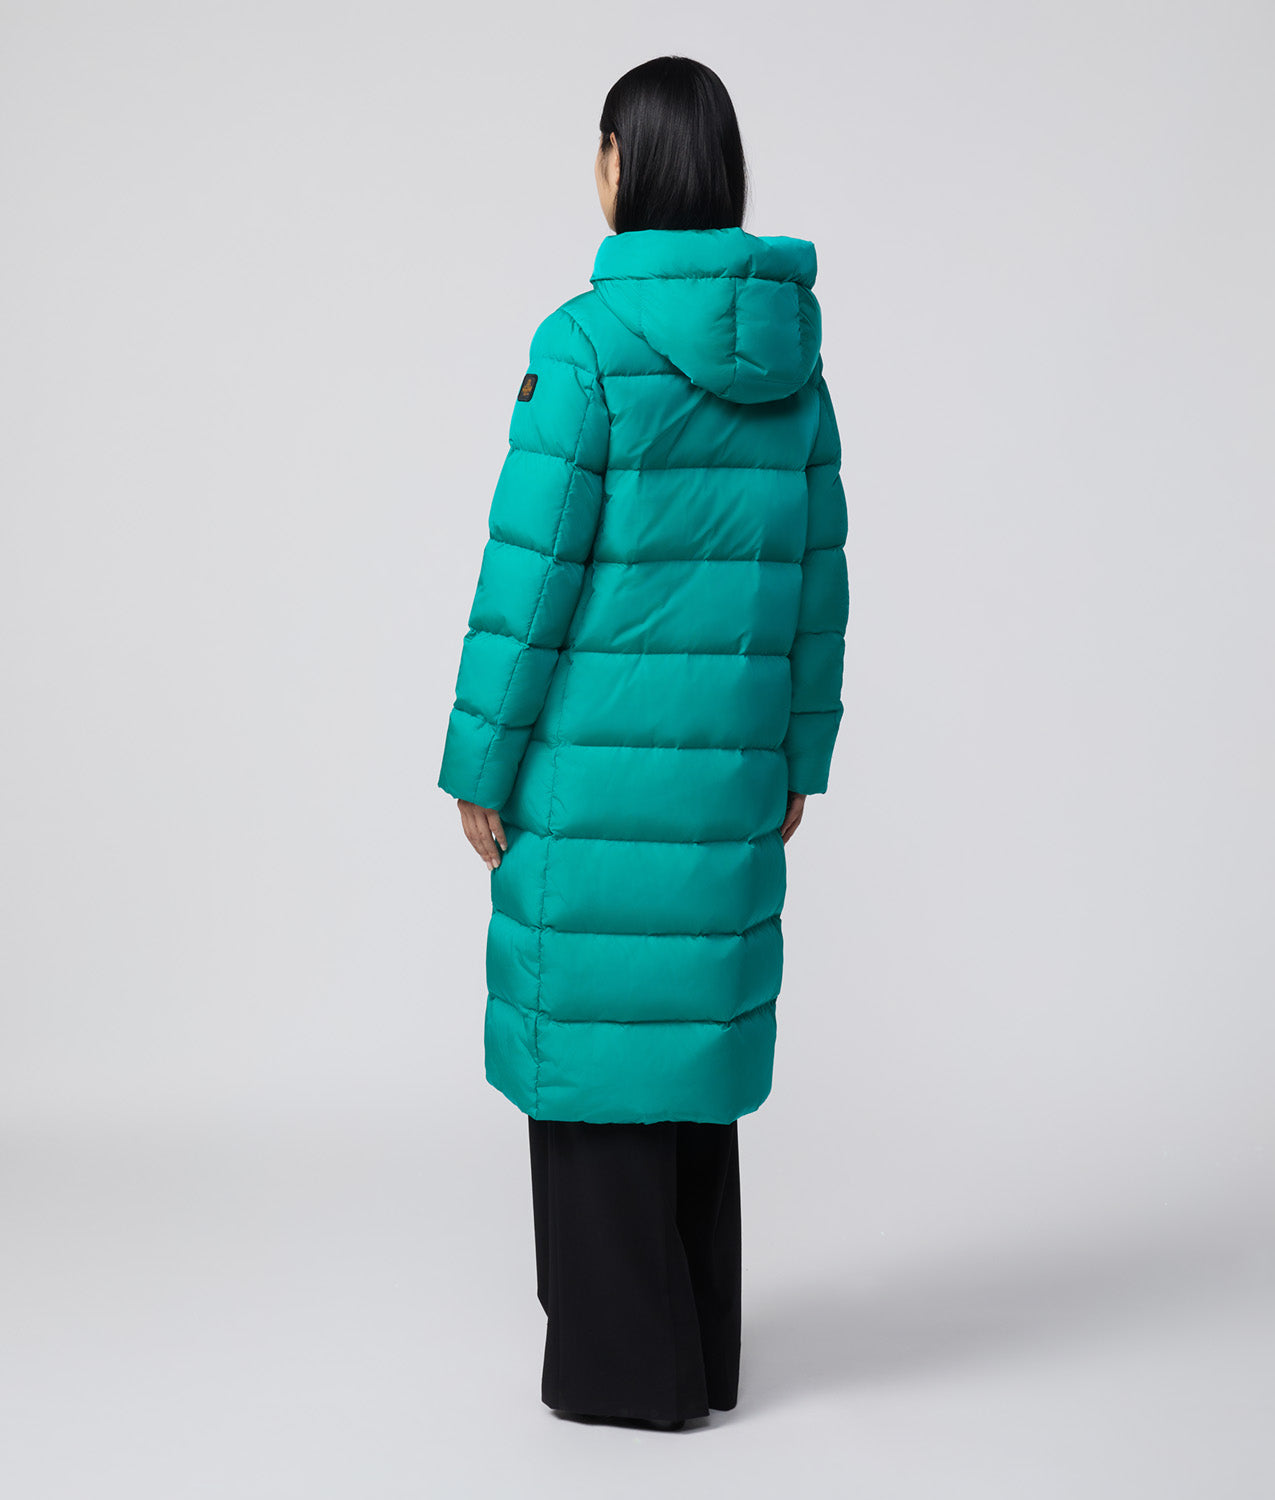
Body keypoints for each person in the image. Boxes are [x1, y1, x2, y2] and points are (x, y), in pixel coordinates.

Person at [438, 55, 848, 1431]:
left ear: (623, 160)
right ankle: (701, 1359)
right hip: (727, 778)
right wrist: (797, 754)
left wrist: (479, 762)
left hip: (590, 782)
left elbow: (530, 575)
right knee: (682, 1052)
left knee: (596, 1053)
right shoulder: (792, 357)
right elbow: (818, 580)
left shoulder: (585, 346)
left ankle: (625, 1379)